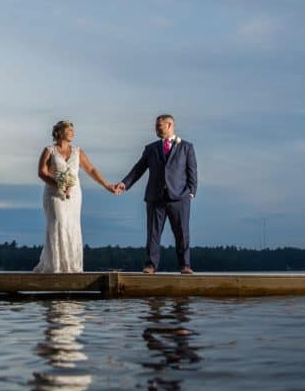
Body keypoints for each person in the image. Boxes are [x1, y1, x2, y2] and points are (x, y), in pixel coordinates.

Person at [114, 114, 197, 274]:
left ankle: (185, 265)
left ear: (169, 125)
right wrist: (124, 183)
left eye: (159, 126)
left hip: (179, 197)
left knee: (182, 233)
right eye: (155, 126)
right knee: (153, 233)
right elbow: (138, 168)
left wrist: (191, 192)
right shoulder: (151, 149)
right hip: (155, 197)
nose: (156, 129)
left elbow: (192, 171)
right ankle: (150, 265)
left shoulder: (187, 147)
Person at [33, 120, 117, 273]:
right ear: (60, 132)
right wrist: (58, 183)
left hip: (74, 195)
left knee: (72, 226)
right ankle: (56, 267)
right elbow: (41, 172)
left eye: (73, 130)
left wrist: (107, 185)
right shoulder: (49, 150)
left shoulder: (78, 151)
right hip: (54, 194)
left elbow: (91, 170)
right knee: (58, 223)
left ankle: (71, 267)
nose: (72, 132)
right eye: (69, 130)